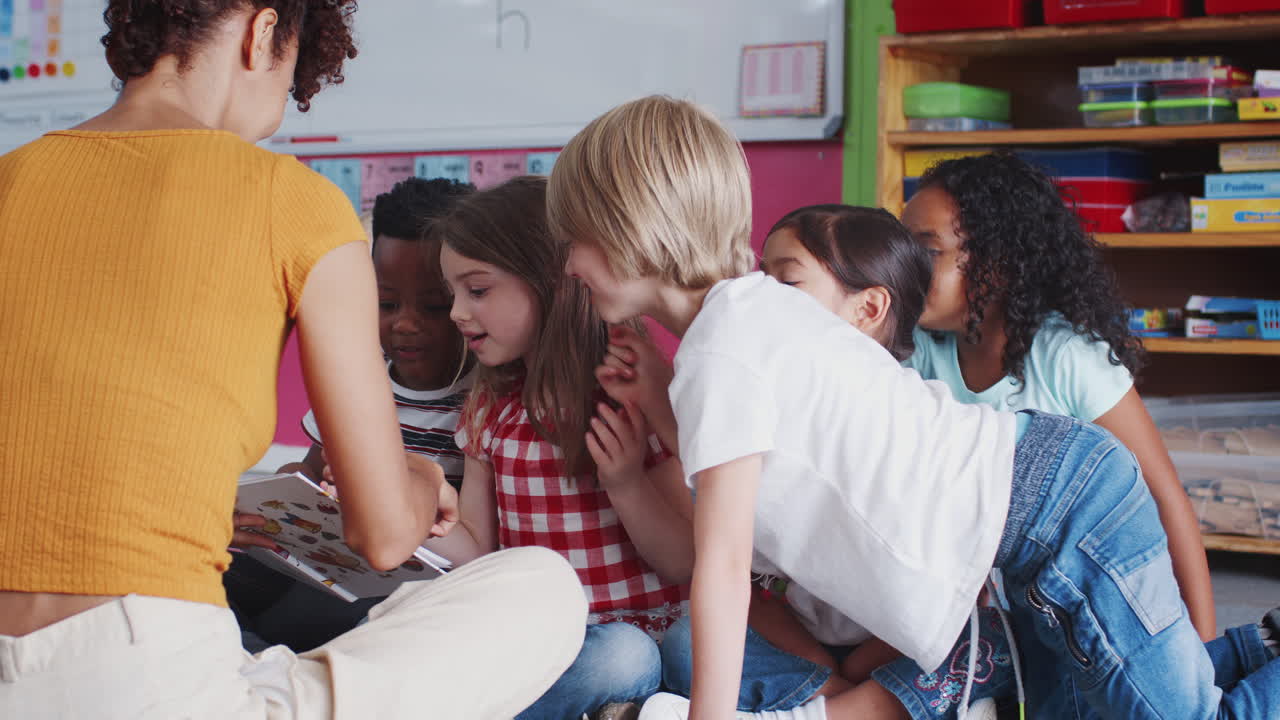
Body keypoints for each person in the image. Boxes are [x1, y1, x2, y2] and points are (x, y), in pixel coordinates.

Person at [546, 95, 1280, 720]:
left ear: (627, 229)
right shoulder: (747, 323)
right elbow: (763, 469)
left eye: (572, 240)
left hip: (1055, 510)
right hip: (1038, 514)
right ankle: (1263, 645)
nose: (568, 265)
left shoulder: (724, 346)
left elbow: (725, 562)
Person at [0, 3, 584, 718]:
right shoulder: (297, 201)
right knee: (544, 588)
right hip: (139, 675)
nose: (279, 113)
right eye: (291, 78)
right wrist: (424, 473)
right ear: (262, 31)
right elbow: (383, 534)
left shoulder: (11, 177)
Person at [902, 151, 1216, 642]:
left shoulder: (1068, 357)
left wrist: (1205, 640)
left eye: (927, 252)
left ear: (999, 264)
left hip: (1090, 593)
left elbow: (1164, 498)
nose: (905, 269)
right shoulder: (919, 351)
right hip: (990, 600)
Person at [428, 176, 693, 720]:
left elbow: (684, 559)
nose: (457, 312)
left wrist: (626, 485)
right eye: (453, 293)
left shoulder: (633, 389)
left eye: (477, 291)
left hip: (638, 636)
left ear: (551, 281)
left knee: (631, 655)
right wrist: (406, 512)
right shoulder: (489, 407)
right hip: (541, 637)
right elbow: (478, 547)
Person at [227, 176, 478, 654]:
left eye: (433, 305)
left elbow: (473, 535)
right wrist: (287, 490)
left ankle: (257, 664)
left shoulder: (480, 402)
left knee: (296, 621)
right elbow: (311, 470)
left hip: (394, 584)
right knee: (216, 585)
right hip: (321, 560)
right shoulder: (361, 380)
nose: (405, 323)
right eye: (385, 303)